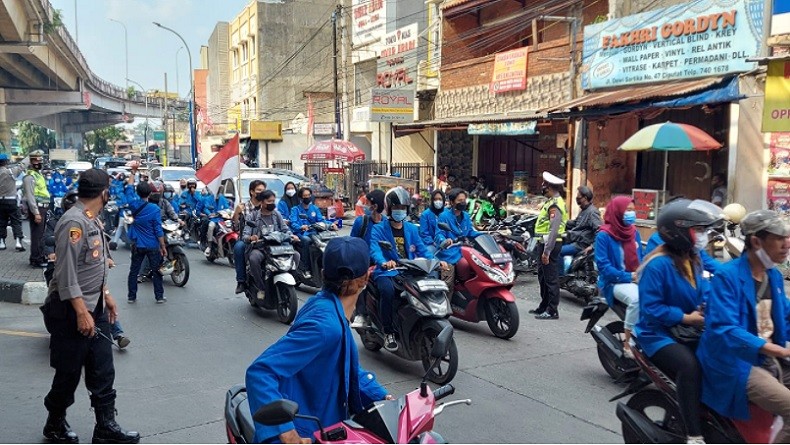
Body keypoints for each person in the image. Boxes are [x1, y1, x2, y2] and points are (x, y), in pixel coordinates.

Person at [246, 236, 390, 444]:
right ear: (366, 278)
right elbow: (260, 372)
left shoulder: (329, 308)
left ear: (323, 274)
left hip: (326, 422)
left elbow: (345, 367)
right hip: (307, 430)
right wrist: (287, 432)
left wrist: (381, 397)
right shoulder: (325, 327)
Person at [39, 168, 139, 444]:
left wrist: (106, 294)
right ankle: (54, 424)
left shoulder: (91, 218)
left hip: (94, 306)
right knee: (68, 373)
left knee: (103, 369)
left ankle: (105, 426)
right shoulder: (74, 222)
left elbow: (93, 265)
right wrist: (82, 312)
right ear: (104, 193)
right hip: (70, 311)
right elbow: (66, 273)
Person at [697, 209, 790, 443]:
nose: (786, 244)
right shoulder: (727, 276)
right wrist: (769, 348)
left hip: (769, 357)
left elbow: (785, 316)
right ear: (757, 242)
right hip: (736, 362)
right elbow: (724, 328)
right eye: (779, 238)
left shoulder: (774, 276)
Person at [637, 198, 722, 444]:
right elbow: (651, 309)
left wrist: (710, 305)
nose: (704, 236)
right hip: (657, 334)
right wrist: (686, 317)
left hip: (687, 329)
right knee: (689, 366)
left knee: (722, 354)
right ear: (680, 232)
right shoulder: (657, 265)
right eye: (699, 230)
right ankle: (694, 434)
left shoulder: (693, 259)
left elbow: (704, 289)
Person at [369, 187, 442, 351]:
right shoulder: (379, 229)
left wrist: (436, 262)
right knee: (387, 292)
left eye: (402, 207)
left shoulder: (411, 228)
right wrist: (383, 262)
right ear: (389, 208)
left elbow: (422, 250)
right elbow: (375, 249)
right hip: (386, 272)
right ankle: (388, 332)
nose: (399, 211)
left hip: (408, 270)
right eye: (396, 207)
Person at [595, 196, 643, 355]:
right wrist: (629, 277)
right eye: (628, 210)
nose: (631, 214)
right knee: (637, 299)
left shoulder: (634, 232)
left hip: (635, 278)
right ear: (618, 211)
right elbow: (604, 267)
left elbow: (642, 259)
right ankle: (628, 343)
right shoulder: (604, 236)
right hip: (613, 283)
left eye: (633, 210)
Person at [243, 190, 299, 300]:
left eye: (273, 201)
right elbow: (245, 235)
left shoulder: (277, 214)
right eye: (269, 201)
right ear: (262, 202)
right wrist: (251, 238)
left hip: (278, 248)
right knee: (254, 259)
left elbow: (285, 229)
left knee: (296, 255)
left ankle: (288, 281)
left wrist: (292, 235)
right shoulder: (253, 216)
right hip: (261, 247)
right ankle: (261, 287)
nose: (272, 203)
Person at [531, 172, 569, 320]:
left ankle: (552, 310)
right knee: (543, 277)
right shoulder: (550, 202)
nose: (542, 188)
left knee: (551, 278)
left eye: (544, 185)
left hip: (551, 244)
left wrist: (547, 252)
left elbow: (553, 230)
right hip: (544, 243)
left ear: (550, 187)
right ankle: (544, 306)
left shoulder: (555, 205)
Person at [125, 175, 167, 304]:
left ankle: (131, 296)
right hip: (152, 244)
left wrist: (133, 173)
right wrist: (163, 246)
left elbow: (128, 190)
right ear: (149, 193)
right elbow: (158, 229)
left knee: (134, 271)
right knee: (156, 271)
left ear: (138, 193)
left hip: (137, 244)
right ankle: (159, 296)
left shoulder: (133, 205)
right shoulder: (155, 209)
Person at [435, 187, 480, 295]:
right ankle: (446, 302)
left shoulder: (466, 216)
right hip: (449, 252)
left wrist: (486, 235)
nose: (463, 203)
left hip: (463, 250)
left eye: (464, 200)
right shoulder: (444, 216)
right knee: (447, 283)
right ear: (452, 202)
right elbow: (439, 234)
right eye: (460, 200)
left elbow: (470, 232)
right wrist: (444, 240)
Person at [290, 187, 335, 275]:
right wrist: (300, 227)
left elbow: (321, 220)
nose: (307, 197)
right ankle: (305, 268)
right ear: (301, 197)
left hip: (314, 232)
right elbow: (293, 223)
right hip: (301, 233)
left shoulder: (315, 208)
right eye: (305, 196)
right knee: (307, 241)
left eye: (308, 195)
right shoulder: (295, 209)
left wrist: (331, 224)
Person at [233, 180, 267, 294]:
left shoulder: (267, 206)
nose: (261, 192)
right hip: (247, 239)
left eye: (263, 190)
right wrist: (236, 214)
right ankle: (241, 281)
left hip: (265, 238)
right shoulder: (243, 207)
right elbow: (235, 227)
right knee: (239, 247)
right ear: (252, 192)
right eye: (259, 190)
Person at [560, 186, 602, 274]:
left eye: (578, 196)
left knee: (557, 252)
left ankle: (559, 277)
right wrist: (560, 222)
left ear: (585, 198)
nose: (577, 198)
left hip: (581, 245)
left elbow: (600, 230)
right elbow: (575, 223)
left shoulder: (592, 212)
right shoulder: (584, 210)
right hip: (575, 241)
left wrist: (592, 246)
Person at [23, 150, 50, 267]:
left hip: (43, 207)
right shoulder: (29, 177)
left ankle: (40, 256)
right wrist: (36, 212)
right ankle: (36, 259)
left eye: (40, 160)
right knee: (37, 235)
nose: (39, 162)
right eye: (36, 160)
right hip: (37, 208)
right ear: (31, 162)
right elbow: (30, 197)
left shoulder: (38, 175)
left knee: (41, 234)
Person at [0, 153, 25, 251]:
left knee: (1, 222)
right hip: (12, 201)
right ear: (6, 162)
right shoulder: (12, 171)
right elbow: (23, 165)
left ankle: (2, 243)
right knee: (16, 222)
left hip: (0, 201)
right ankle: (18, 242)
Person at [198, 189, 231, 255]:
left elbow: (227, 208)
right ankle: (209, 246)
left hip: (222, 219)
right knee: (211, 226)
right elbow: (206, 208)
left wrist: (228, 212)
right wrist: (210, 214)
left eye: (219, 191)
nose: (218, 193)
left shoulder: (223, 198)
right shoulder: (209, 198)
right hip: (213, 219)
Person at [419, 190, 446, 254]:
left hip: (446, 243)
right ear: (432, 201)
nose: (438, 201)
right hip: (431, 244)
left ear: (443, 200)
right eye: (435, 199)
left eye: (440, 199)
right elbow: (424, 233)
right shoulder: (425, 215)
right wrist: (432, 242)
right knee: (429, 252)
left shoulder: (447, 213)